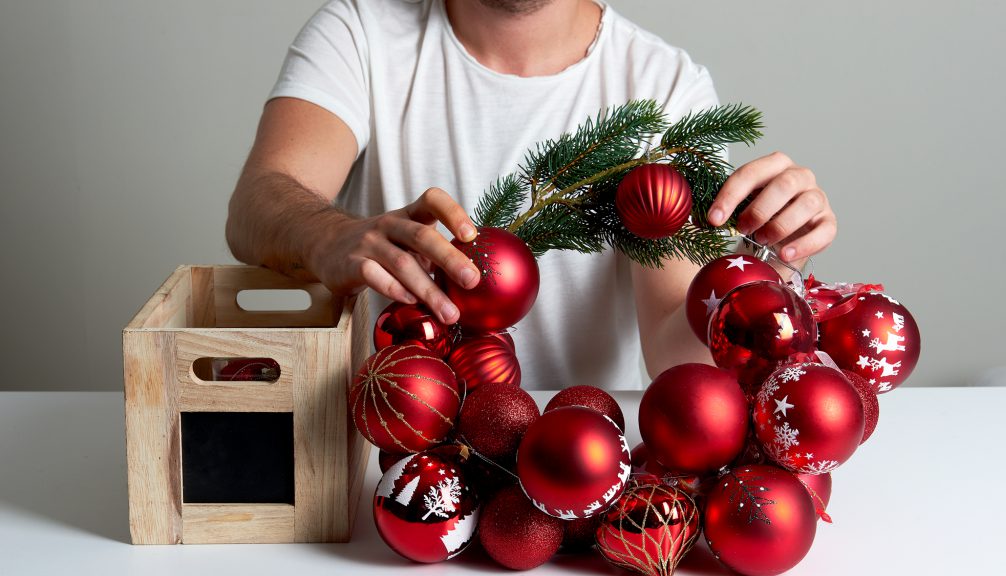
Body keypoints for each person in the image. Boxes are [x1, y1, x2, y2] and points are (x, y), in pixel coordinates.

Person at [226, 0, 837, 390]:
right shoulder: (359, 32)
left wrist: (767, 269)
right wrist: (327, 232)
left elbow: (678, 354)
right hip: (388, 461)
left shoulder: (661, 85)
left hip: (584, 476)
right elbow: (257, 203)